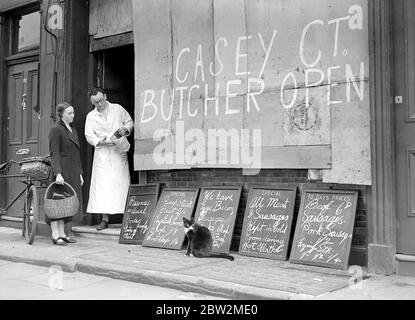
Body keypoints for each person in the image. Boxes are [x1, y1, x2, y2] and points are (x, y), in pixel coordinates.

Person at [85, 87, 133, 230]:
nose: (98, 104)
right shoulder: (91, 116)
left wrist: (125, 130)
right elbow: (89, 135)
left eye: (100, 100)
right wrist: (101, 142)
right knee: (103, 187)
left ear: (105, 96)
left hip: (118, 151)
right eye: (95, 103)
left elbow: (129, 122)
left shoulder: (117, 109)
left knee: (121, 184)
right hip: (103, 154)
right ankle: (104, 219)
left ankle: (127, 218)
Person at [48, 102, 84, 245]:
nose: (73, 116)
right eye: (69, 113)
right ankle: (55, 233)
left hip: (73, 170)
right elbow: (54, 153)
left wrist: (80, 173)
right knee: (57, 202)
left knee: (66, 203)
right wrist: (58, 173)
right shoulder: (56, 129)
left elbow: (76, 153)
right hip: (61, 170)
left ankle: (63, 233)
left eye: (73, 112)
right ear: (61, 114)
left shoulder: (73, 129)